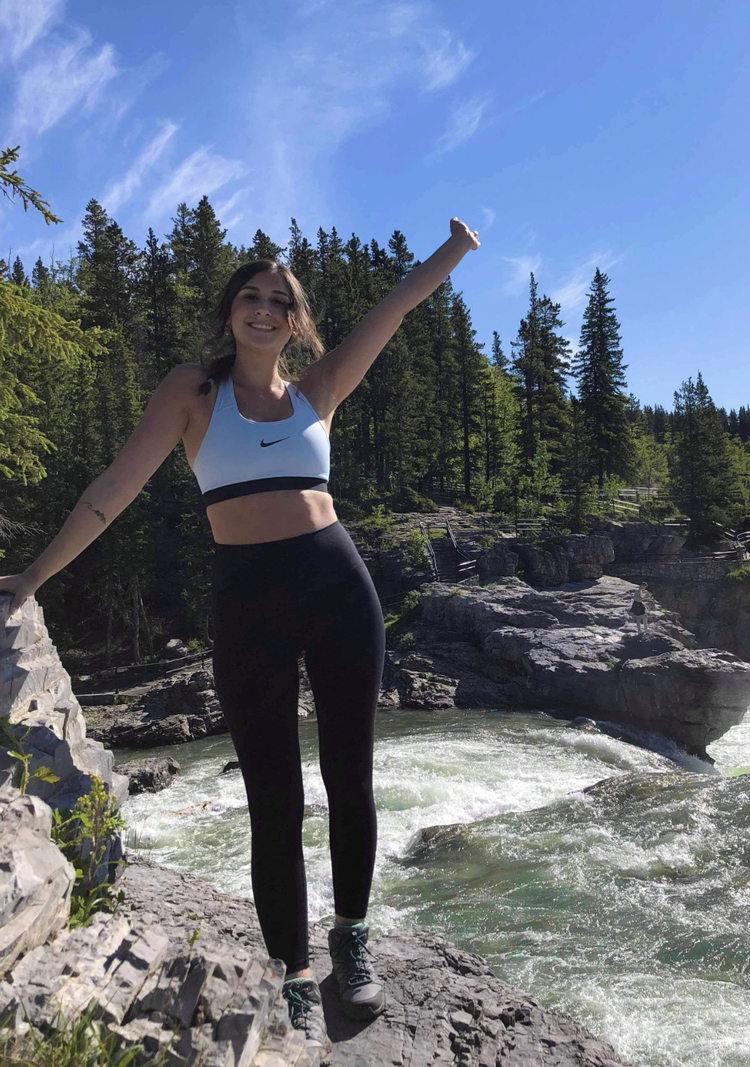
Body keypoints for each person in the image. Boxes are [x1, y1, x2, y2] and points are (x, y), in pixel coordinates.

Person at [0, 216, 480, 1053]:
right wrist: (35, 575)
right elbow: (114, 485)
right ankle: (295, 973)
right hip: (248, 598)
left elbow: (394, 309)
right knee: (273, 799)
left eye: (279, 300)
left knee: (351, 779)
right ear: (230, 311)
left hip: (339, 587)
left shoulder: (317, 388)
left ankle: (353, 939)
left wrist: (453, 250)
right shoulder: (193, 391)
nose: (264, 309)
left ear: (296, 321)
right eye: (250, 297)